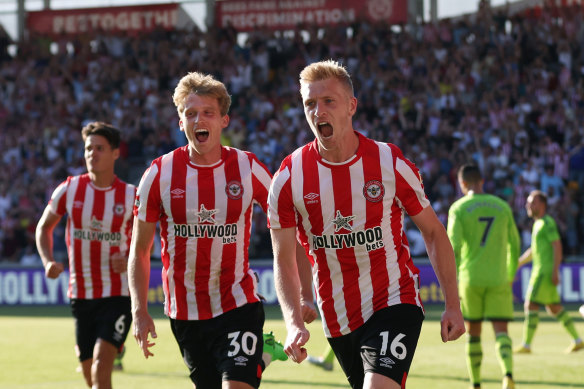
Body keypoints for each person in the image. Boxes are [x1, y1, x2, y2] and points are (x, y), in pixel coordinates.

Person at [267, 59, 465, 389]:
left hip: (393, 299)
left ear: (351, 106)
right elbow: (283, 256)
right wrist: (292, 319)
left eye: (328, 101)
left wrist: (452, 305)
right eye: (310, 104)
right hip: (337, 316)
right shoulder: (289, 177)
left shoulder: (389, 161)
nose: (319, 112)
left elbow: (432, 232)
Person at [128, 71, 289, 389]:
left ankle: (255, 359)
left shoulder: (247, 167)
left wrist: (301, 293)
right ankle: (263, 357)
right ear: (180, 122)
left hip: (237, 303)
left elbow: (286, 222)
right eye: (190, 113)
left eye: (208, 113)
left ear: (223, 121)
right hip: (185, 312)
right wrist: (139, 310)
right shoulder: (159, 174)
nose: (198, 120)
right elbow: (140, 249)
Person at [35, 122, 135, 389]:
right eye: (88, 148)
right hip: (81, 294)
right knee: (90, 375)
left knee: (103, 365)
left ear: (115, 153)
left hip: (118, 294)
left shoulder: (130, 196)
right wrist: (47, 261)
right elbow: (43, 227)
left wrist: (129, 260)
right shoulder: (69, 189)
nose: (92, 153)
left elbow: (147, 241)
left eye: (100, 148)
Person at [447, 164, 520, 389]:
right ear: (483, 181)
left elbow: (454, 247)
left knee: (474, 333)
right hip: (498, 277)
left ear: (462, 184)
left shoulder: (458, 209)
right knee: (501, 331)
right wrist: (509, 274)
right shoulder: (501, 206)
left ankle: (476, 383)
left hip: (471, 279)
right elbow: (515, 245)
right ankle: (507, 374)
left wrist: (453, 280)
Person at [514, 190, 584, 354]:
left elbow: (557, 246)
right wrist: (518, 263)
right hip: (543, 271)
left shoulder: (547, 223)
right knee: (554, 308)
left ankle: (526, 344)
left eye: (532, 202)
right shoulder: (538, 224)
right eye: (528, 202)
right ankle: (577, 340)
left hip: (543, 273)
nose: (528, 205)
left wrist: (555, 271)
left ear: (542, 205)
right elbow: (533, 250)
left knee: (530, 304)